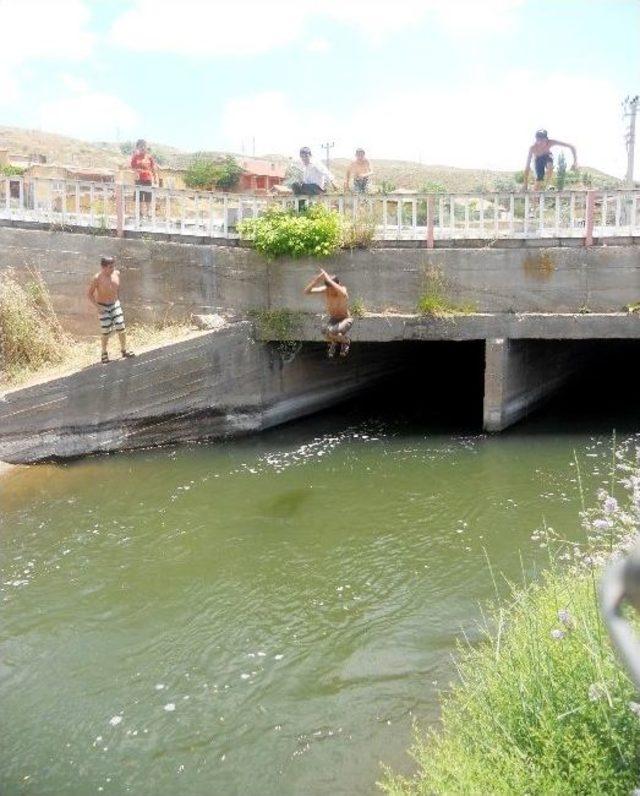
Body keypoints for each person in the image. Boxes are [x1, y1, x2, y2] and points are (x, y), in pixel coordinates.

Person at [87, 256, 135, 363]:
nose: (112, 269)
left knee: (121, 327)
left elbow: (117, 289)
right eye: (110, 267)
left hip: (115, 304)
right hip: (103, 306)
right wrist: (98, 307)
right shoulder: (97, 278)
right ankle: (104, 353)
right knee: (106, 331)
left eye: (113, 266)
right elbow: (89, 294)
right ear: (103, 267)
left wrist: (117, 301)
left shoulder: (116, 274)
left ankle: (124, 350)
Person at [303, 267, 353, 358]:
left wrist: (329, 279)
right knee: (324, 330)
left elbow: (342, 292)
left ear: (337, 285)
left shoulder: (342, 290)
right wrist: (317, 280)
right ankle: (334, 342)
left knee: (333, 331)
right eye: (329, 289)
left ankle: (346, 342)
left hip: (346, 319)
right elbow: (307, 292)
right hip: (333, 319)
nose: (330, 291)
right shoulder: (326, 289)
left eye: (332, 289)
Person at [130, 139, 158, 219]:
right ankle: (139, 213)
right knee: (138, 197)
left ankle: (149, 213)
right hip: (139, 179)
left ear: (146, 147)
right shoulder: (135, 157)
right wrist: (136, 172)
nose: (142, 148)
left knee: (148, 197)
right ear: (137, 147)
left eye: (144, 146)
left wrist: (155, 178)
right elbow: (133, 167)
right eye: (140, 146)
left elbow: (153, 169)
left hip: (148, 179)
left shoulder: (149, 157)